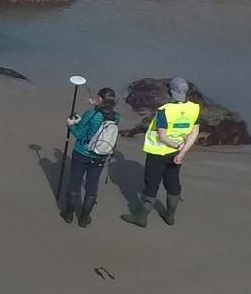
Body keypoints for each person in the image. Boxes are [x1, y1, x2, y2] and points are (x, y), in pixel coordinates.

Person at [123, 77, 200, 227]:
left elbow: (162, 136)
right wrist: (182, 152)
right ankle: (170, 215)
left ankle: (141, 217)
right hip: (177, 155)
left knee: (151, 184)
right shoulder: (194, 108)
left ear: (170, 91)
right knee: (172, 182)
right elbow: (194, 132)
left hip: (158, 153)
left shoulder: (164, 110)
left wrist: (177, 148)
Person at [60, 86, 119, 226]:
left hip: (82, 153)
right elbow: (100, 127)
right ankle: (84, 219)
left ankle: (68, 215)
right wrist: (96, 106)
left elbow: (80, 134)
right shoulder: (116, 117)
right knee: (92, 185)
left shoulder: (91, 114)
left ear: (100, 99)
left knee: (75, 182)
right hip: (100, 156)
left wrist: (70, 125)